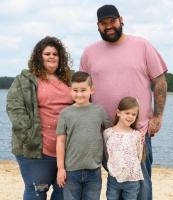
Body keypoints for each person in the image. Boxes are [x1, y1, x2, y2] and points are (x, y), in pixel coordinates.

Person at [80, 4, 167, 200]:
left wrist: (158, 116)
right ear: (98, 25)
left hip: (139, 131)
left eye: (112, 21)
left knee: (141, 183)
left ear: (121, 20)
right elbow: (84, 90)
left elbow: (160, 80)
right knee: (115, 183)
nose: (108, 26)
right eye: (103, 23)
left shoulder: (142, 45)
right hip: (106, 133)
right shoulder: (89, 52)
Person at [6, 36, 73, 200]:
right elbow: (14, 107)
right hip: (36, 150)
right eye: (47, 53)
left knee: (64, 192)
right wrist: (29, 137)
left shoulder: (70, 79)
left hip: (67, 148)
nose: (51, 56)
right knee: (38, 190)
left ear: (61, 58)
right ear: (38, 57)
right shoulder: (25, 80)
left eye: (55, 54)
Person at [56, 71, 111, 200]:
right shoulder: (65, 113)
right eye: (75, 90)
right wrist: (60, 168)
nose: (79, 94)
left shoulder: (99, 111)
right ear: (70, 90)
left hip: (94, 170)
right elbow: (60, 142)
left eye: (83, 90)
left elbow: (110, 133)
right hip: (71, 171)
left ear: (91, 90)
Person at [104, 97, 144, 200]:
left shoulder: (136, 135)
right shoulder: (108, 133)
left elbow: (138, 156)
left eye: (133, 114)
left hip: (132, 180)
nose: (130, 116)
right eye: (127, 113)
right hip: (114, 178)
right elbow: (106, 154)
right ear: (118, 112)